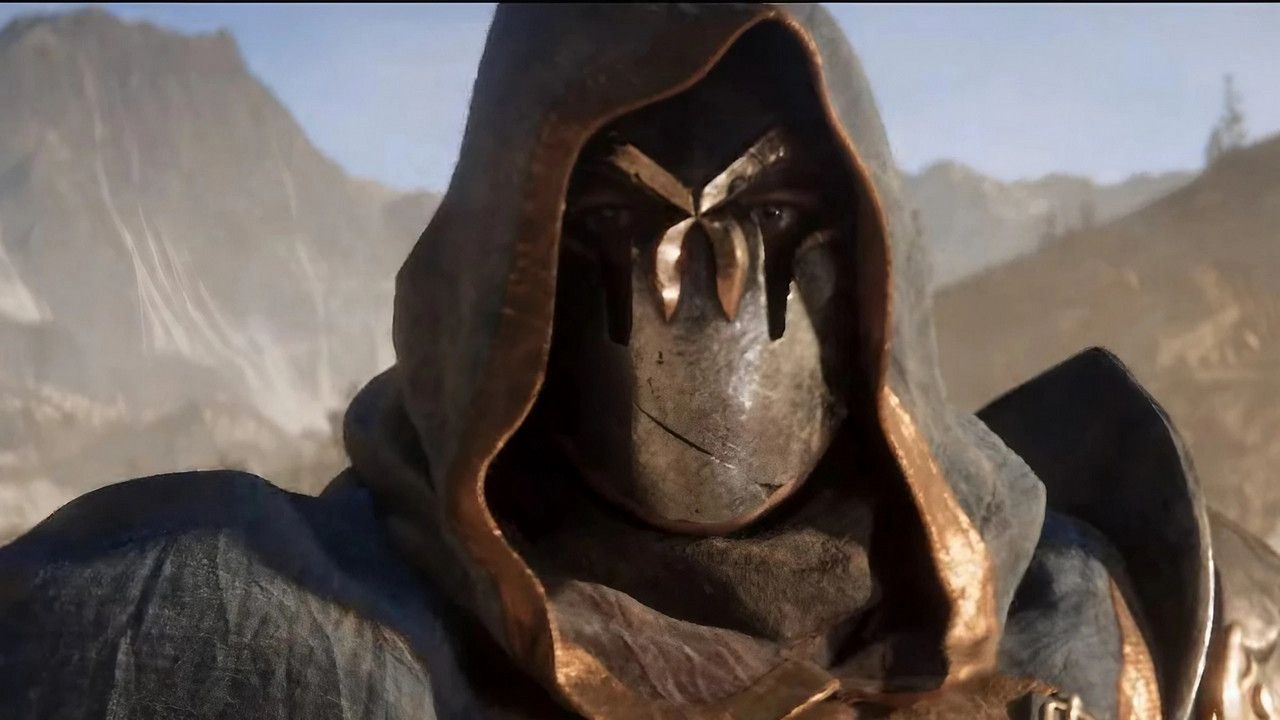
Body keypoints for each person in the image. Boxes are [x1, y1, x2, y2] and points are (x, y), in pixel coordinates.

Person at [1, 5, 1275, 718]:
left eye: (771, 217)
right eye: (617, 220)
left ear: (868, 244)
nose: (699, 290)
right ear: (514, 259)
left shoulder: (1097, 623)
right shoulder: (264, 632)